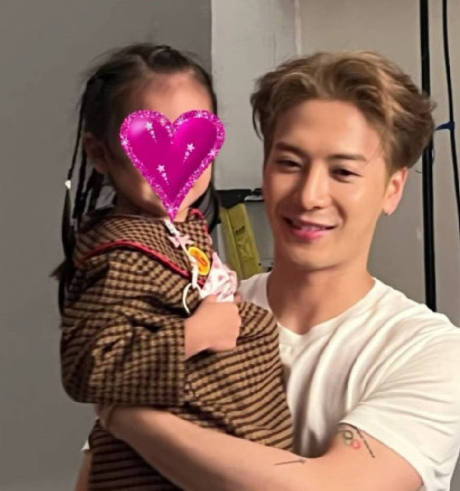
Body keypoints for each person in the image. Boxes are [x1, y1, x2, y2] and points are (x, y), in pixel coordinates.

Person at [78, 50, 460, 491]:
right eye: (289, 164)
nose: (309, 196)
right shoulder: (188, 309)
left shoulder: (431, 353)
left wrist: (128, 416)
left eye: (343, 172)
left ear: (393, 189)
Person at [58, 43, 292, 491]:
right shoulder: (120, 256)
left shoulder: (182, 229)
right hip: (157, 475)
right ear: (100, 154)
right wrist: (193, 334)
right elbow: (86, 367)